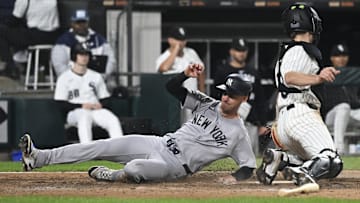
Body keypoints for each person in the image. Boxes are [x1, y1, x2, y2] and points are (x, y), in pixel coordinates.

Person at [20, 63, 256, 184]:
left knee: (134, 168)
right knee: (100, 146)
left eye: (231, 95)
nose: (225, 97)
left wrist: (235, 178)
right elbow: (172, 88)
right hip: (159, 144)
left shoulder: (238, 134)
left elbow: (248, 165)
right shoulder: (207, 103)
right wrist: (185, 74)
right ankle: (39, 157)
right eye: (224, 92)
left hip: (174, 167)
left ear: (243, 99)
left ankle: (113, 176)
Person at [256, 3, 343, 187]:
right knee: (329, 159)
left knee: (331, 165)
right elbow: (290, 77)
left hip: (285, 122)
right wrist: (318, 77)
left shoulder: (289, 50)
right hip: (301, 117)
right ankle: (303, 173)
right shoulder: (300, 48)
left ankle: (280, 159)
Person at [54, 43, 123, 144]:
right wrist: (82, 105)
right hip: (75, 111)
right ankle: (87, 151)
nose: (84, 57)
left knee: (112, 119)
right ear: (74, 56)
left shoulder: (95, 76)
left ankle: (120, 149)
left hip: (95, 109)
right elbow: (60, 104)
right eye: (81, 54)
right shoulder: (64, 78)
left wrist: (101, 105)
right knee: (84, 117)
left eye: (86, 55)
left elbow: (106, 99)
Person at [212, 37, 267, 155]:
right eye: (238, 50)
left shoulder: (253, 72)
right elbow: (215, 96)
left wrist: (262, 123)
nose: (241, 53)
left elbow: (261, 98)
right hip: (228, 121)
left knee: (250, 155)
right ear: (231, 51)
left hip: (250, 121)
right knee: (227, 155)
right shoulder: (223, 71)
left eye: (243, 50)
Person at [156, 26, 206, 123]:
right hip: (173, 102)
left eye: (183, 40)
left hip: (192, 98)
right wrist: (175, 50)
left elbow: (201, 71)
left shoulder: (191, 53)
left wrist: (202, 92)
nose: (181, 42)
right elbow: (163, 68)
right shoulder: (164, 57)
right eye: (178, 39)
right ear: (170, 40)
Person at [0, 0, 59, 79]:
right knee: (19, 32)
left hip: (36, 35)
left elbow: (14, 20)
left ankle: (10, 67)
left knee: (2, 32)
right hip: (53, 36)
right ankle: (22, 58)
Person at [51, 9, 115, 79]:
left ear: (88, 23)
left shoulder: (99, 39)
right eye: (78, 23)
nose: (81, 25)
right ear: (72, 24)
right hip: (72, 83)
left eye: (84, 22)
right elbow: (60, 66)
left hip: (97, 81)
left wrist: (100, 77)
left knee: (112, 85)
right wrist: (77, 79)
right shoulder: (63, 41)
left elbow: (111, 61)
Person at [324, 43, 360, 154]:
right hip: (331, 116)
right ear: (332, 58)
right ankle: (338, 149)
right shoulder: (326, 74)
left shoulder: (353, 75)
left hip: (351, 115)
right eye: (338, 55)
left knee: (347, 108)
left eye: (344, 55)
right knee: (344, 107)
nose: (341, 58)